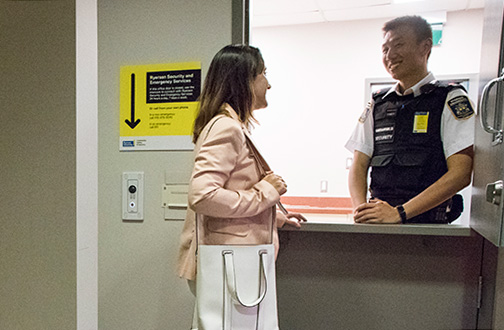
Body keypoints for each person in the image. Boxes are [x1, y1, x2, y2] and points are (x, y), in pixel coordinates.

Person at [176, 44, 305, 328]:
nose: (268, 84)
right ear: (244, 80)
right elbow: (204, 195)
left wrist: (273, 214)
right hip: (230, 262)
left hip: (232, 261)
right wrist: (266, 194)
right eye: (263, 75)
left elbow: (230, 187)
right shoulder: (227, 127)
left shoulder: (229, 125)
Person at [345, 15, 475, 224]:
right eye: (385, 49)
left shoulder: (450, 98)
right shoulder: (377, 104)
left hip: (429, 229)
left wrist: (400, 213)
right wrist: (362, 213)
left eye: (398, 45)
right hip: (381, 227)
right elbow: (358, 165)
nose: (390, 55)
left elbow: (461, 172)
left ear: (425, 47)